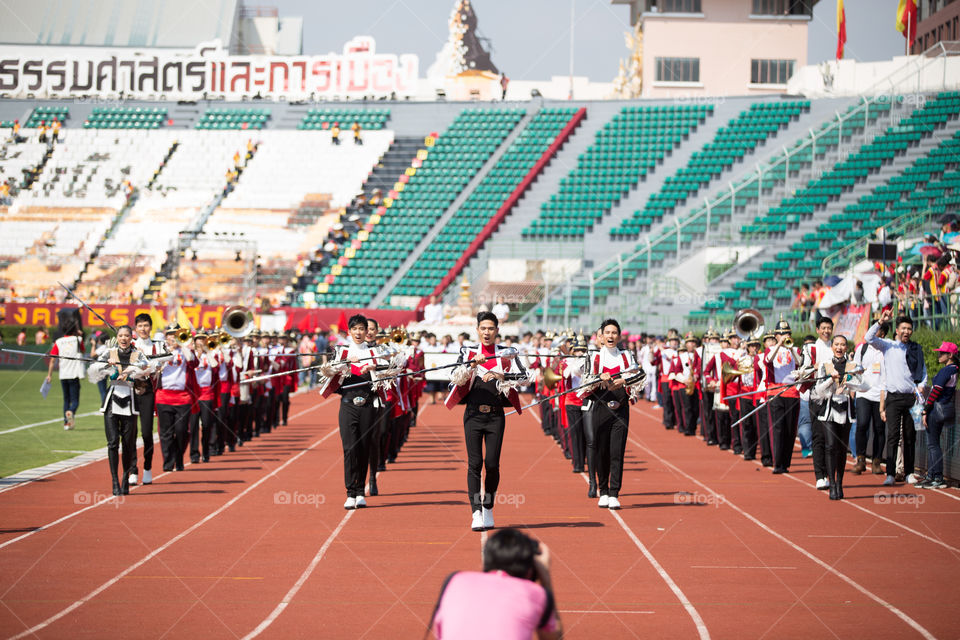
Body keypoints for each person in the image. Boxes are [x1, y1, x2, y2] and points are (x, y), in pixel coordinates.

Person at [445, 311, 528, 531]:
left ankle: (488, 507)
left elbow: (525, 377)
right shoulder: (468, 352)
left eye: (491, 328)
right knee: (474, 464)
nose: (487, 332)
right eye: (483, 328)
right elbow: (454, 377)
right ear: (478, 330)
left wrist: (502, 377)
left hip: (495, 416)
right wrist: (472, 365)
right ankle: (476, 512)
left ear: (497, 331)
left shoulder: (507, 354)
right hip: (473, 415)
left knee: (492, 464)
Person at [430, 528, 561, 640]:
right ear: (531, 569)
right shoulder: (535, 593)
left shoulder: (454, 581)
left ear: (485, 562)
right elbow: (553, 637)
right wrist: (546, 579)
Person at [578, 318, 641, 510]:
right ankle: (603, 490)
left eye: (614, 333)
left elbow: (639, 374)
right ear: (602, 336)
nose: (611, 336)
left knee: (617, 452)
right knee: (600, 451)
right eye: (607, 333)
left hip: (620, 409)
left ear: (619, 336)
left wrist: (622, 380)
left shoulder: (627, 356)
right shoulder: (594, 356)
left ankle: (614, 493)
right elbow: (586, 381)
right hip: (599, 407)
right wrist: (599, 378)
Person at [318, 314, 379, 510]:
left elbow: (389, 375)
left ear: (367, 331)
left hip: (368, 405)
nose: (359, 332)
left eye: (362, 329)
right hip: (347, 405)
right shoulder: (342, 351)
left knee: (364, 448)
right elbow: (329, 373)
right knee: (350, 449)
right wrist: (344, 364)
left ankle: (361, 492)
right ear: (349, 332)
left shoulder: (375, 351)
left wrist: (373, 369)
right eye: (355, 329)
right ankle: (350, 492)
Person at [866, 309, 926, 486]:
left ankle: (909, 472)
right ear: (897, 330)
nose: (907, 331)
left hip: (911, 399)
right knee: (892, 436)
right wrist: (881, 321)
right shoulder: (888, 345)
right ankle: (890, 473)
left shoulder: (916, 348)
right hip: (893, 398)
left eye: (909, 328)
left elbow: (923, 372)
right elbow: (869, 338)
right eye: (903, 328)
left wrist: (921, 385)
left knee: (910, 436)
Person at [87, 326, 149, 496]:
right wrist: (105, 365)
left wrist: (130, 369)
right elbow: (92, 371)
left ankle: (124, 479)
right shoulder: (110, 352)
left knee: (128, 444)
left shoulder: (138, 354)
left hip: (129, 400)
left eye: (127, 335)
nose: (123, 338)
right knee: (113, 442)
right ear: (117, 337)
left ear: (131, 337)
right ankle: (114, 481)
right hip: (112, 400)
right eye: (120, 335)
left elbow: (147, 367)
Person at [812, 336, 856, 500]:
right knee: (830, 446)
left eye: (843, 345)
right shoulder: (826, 365)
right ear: (832, 347)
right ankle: (831, 484)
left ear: (846, 347)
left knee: (842, 449)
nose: (839, 347)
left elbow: (864, 386)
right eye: (836, 344)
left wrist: (854, 380)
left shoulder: (851, 365)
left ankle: (839, 483)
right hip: (829, 411)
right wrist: (831, 379)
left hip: (846, 411)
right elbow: (818, 392)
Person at [155, 325, 198, 472]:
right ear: (166, 337)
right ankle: (168, 462)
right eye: (170, 335)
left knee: (182, 431)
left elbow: (193, 362)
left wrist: (183, 345)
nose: (173, 337)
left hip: (182, 397)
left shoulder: (186, 351)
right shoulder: (160, 350)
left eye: (176, 335)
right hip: (163, 396)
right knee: (165, 432)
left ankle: (179, 457)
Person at [763, 317, 803, 474]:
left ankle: (786, 462)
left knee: (790, 429)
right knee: (778, 428)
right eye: (780, 334)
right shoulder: (770, 350)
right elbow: (768, 361)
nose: (784, 336)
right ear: (776, 336)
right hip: (776, 393)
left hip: (792, 393)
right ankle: (777, 463)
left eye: (786, 333)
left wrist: (791, 348)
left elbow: (801, 362)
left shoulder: (796, 350)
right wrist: (778, 345)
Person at [919, 341, 957, 489]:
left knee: (932, 444)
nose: (939, 355)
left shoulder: (947, 370)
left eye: (942, 353)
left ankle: (936, 477)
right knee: (933, 444)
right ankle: (932, 475)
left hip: (936, 409)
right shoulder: (954, 369)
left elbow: (935, 391)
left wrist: (925, 410)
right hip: (943, 408)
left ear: (950, 355)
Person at [131, 313, 163, 485]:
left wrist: (153, 364)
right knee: (130, 432)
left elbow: (165, 361)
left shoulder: (157, 346)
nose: (143, 329)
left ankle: (148, 467)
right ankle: (132, 469)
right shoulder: (130, 345)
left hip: (148, 390)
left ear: (151, 327)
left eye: (146, 325)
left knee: (146, 432)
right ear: (135, 328)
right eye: (140, 326)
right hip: (130, 389)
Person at [852, 323, 888, 475]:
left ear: (883, 334)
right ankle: (860, 459)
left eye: (879, 332)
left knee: (879, 429)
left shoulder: (886, 350)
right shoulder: (862, 348)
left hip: (880, 393)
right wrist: (853, 388)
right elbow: (854, 368)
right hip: (863, 393)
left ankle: (877, 461)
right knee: (862, 424)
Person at [803, 317, 834, 490]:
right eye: (823, 328)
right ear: (817, 329)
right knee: (819, 436)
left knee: (833, 439)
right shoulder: (810, 348)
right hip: (817, 397)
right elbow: (801, 373)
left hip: (835, 397)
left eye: (829, 328)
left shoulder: (836, 346)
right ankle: (820, 475)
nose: (826, 331)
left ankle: (831, 473)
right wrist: (812, 369)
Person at [46, 322, 84, 430]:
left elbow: (52, 360)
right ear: (75, 330)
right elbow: (83, 350)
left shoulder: (59, 341)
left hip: (63, 374)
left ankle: (66, 423)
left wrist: (49, 375)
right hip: (74, 374)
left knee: (66, 400)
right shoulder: (78, 339)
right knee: (75, 400)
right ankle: (71, 412)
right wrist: (79, 335)